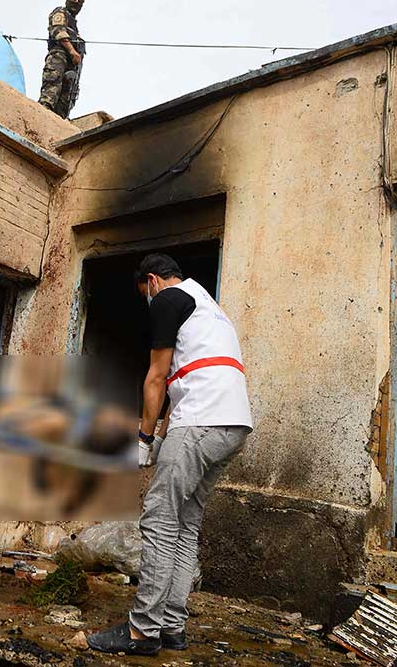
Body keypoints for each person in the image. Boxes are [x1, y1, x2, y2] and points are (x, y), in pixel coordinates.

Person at [87, 254, 253, 656]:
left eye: (144, 293)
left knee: (159, 520)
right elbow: (183, 384)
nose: (147, 301)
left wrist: (143, 439)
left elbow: (157, 378)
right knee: (185, 524)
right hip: (232, 425)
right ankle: (172, 627)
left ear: (152, 281)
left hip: (200, 420)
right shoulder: (208, 306)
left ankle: (142, 630)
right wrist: (161, 437)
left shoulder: (166, 299)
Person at [39, 0, 85, 119]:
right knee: (52, 86)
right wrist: (72, 51)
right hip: (59, 56)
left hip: (72, 67)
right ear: (67, 0)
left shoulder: (75, 27)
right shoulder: (60, 12)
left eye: (79, 2)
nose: (76, 3)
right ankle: (42, 113)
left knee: (67, 96)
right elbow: (58, 31)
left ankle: (58, 120)